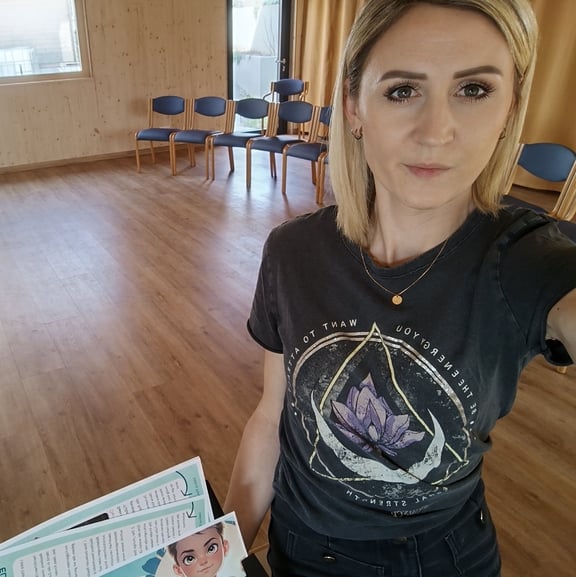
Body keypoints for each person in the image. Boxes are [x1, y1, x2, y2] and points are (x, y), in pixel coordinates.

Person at [223, 1, 576, 576]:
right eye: (402, 91)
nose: (436, 133)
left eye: (474, 90)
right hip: (300, 546)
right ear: (354, 107)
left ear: (510, 108)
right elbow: (272, 414)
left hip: (442, 558)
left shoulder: (526, 260)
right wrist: (222, 554)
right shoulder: (291, 253)